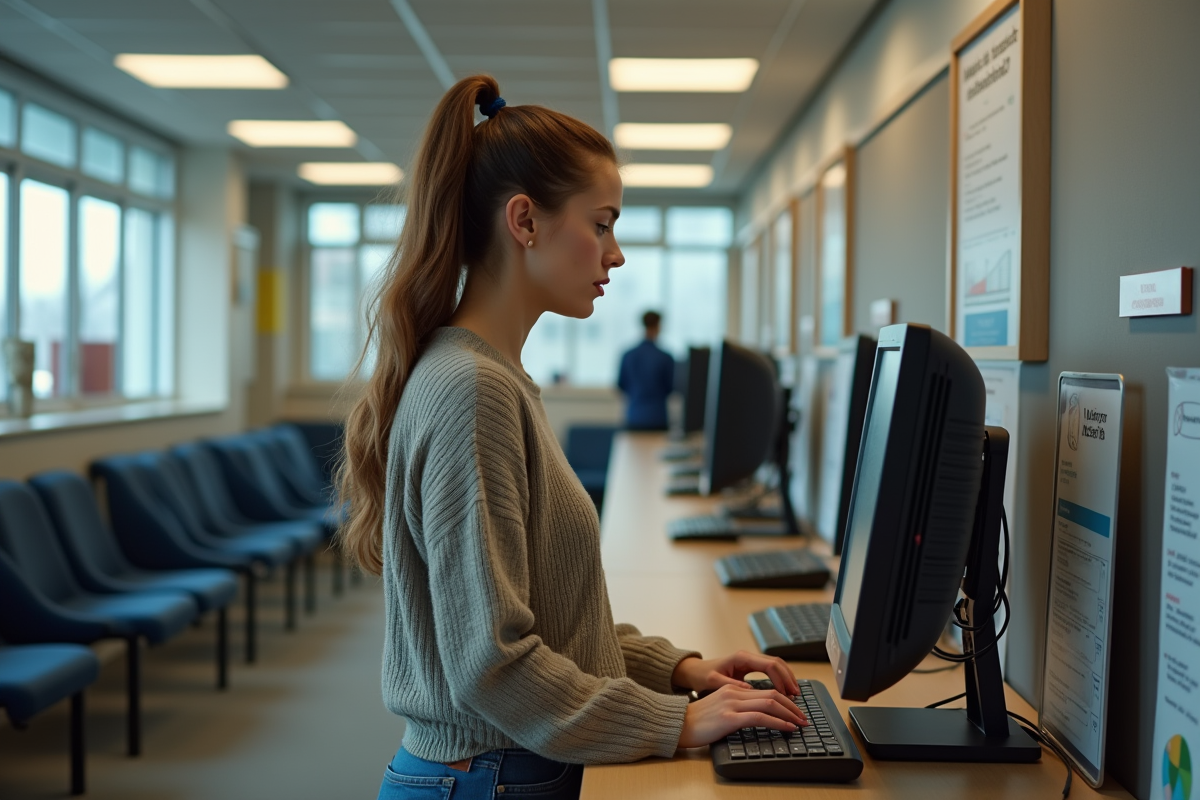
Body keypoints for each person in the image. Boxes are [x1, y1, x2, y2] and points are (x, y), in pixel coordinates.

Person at [337, 75, 808, 800]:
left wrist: (681, 671)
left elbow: (552, 627)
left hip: (498, 769)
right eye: (603, 224)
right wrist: (676, 722)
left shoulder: (491, 375)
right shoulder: (472, 389)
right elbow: (492, 665)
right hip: (486, 778)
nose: (614, 255)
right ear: (524, 221)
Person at [617, 311, 676, 430]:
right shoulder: (665, 357)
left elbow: (621, 385)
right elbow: (670, 387)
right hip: (657, 418)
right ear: (658, 326)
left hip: (634, 416)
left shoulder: (628, 355)